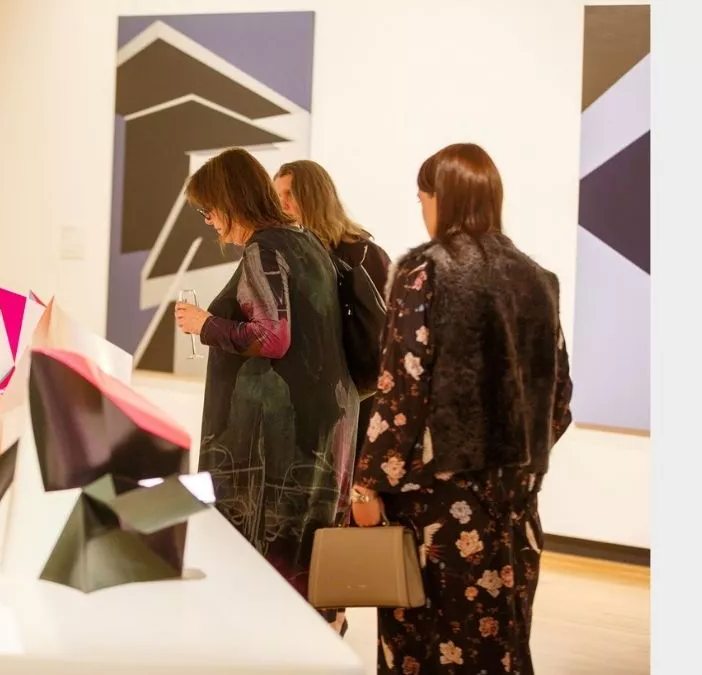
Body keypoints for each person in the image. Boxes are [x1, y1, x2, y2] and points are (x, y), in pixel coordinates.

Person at [350, 143, 574, 675]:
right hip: (513, 513)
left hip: (436, 510)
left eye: (423, 197)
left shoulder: (423, 274)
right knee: (500, 646)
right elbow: (559, 397)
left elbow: (401, 392)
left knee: (425, 648)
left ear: (440, 199)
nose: (422, 210)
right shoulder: (538, 280)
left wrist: (368, 484)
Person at [173, 147, 357, 608]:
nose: (209, 221)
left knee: (257, 573)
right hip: (314, 433)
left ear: (231, 201)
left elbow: (271, 337)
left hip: (270, 447)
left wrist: (204, 324)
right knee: (299, 569)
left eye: (209, 209)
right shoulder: (306, 242)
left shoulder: (265, 249)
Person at [274, 159, 392, 464]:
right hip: (319, 398)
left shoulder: (367, 255)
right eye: (278, 196)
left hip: (358, 392)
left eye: (290, 194)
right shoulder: (291, 253)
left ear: (314, 195)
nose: (283, 204)